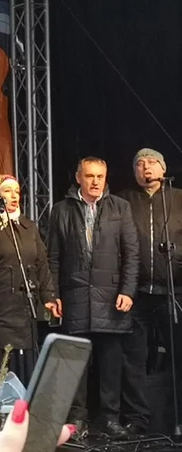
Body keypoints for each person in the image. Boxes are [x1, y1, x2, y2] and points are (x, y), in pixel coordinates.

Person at [46, 157, 139, 439]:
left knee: (110, 363)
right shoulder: (61, 210)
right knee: (76, 363)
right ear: (78, 178)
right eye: (89, 176)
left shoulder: (120, 208)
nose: (96, 181)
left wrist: (127, 290)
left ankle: (110, 419)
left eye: (100, 176)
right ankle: (77, 421)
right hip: (75, 297)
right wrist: (53, 294)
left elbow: (132, 254)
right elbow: (52, 257)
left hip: (111, 298)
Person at [0, 174, 61, 399]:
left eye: (17, 192)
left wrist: (48, 295)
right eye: (7, 191)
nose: (13, 196)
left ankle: (20, 413)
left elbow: (41, 263)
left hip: (24, 306)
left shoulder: (28, 227)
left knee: (24, 362)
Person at [119, 148, 182, 434]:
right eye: (140, 163)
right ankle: (137, 419)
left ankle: (176, 416)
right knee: (134, 358)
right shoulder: (123, 201)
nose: (146, 167)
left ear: (163, 168)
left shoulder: (179, 198)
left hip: (174, 291)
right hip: (137, 293)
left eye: (152, 162)